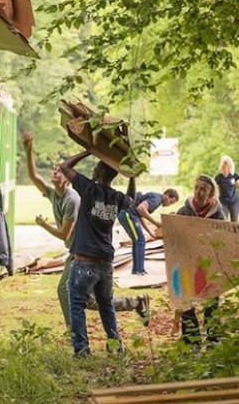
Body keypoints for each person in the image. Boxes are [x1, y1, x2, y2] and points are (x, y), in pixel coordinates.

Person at [23, 135, 150, 332]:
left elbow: (65, 234)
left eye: (58, 170)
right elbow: (34, 176)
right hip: (84, 253)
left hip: (82, 254)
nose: (55, 170)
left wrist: (43, 225)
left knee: (74, 295)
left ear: (68, 180)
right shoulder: (55, 193)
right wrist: (28, 149)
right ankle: (134, 304)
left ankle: (75, 334)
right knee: (94, 301)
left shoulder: (75, 197)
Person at [58, 151, 134, 356]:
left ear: (100, 170)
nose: (93, 168)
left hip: (84, 262)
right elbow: (132, 199)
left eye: (97, 165)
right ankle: (115, 346)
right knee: (106, 305)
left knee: (76, 305)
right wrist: (132, 176)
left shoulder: (88, 189)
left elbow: (64, 166)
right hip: (106, 263)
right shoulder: (116, 197)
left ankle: (82, 350)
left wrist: (89, 150)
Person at [175, 175, 225, 346]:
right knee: (187, 302)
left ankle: (213, 340)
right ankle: (191, 341)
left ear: (211, 193)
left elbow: (223, 241)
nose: (198, 192)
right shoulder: (183, 212)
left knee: (212, 304)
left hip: (210, 266)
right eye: (196, 188)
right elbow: (175, 240)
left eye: (203, 189)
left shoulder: (219, 215)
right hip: (188, 265)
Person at [118, 188, 179, 275]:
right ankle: (139, 270)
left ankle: (137, 270)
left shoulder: (156, 198)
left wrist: (150, 231)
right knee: (140, 240)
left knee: (138, 240)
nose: (169, 205)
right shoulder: (157, 199)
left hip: (131, 214)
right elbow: (141, 208)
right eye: (171, 202)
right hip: (128, 214)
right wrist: (156, 223)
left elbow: (141, 214)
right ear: (167, 195)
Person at [214, 155, 239, 221]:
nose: (226, 167)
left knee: (234, 221)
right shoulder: (218, 177)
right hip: (223, 202)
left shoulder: (234, 175)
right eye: (224, 165)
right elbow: (214, 189)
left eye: (228, 165)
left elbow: (238, 185)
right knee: (223, 220)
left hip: (234, 201)